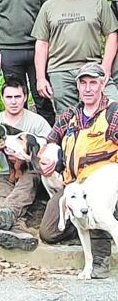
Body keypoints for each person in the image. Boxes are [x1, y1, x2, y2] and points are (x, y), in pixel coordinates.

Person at [38, 62, 118, 278]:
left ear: (102, 85)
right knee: (49, 231)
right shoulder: (69, 116)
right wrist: (48, 159)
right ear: (77, 86)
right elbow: (49, 142)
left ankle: (100, 255)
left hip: (105, 183)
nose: (88, 88)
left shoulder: (113, 113)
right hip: (73, 185)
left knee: (97, 207)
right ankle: (83, 220)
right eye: (83, 83)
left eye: (93, 83)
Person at [32, 0, 118, 114]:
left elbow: (112, 34)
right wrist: (40, 78)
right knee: (67, 120)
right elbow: (42, 43)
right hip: (60, 71)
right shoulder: (49, 6)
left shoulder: (97, 1)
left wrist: (105, 66)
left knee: (112, 107)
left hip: (92, 66)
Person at [0, 77, 52, 251]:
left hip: (30, 171)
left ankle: (6, 220)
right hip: (1, 172)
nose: (13, 101)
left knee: (25, 187)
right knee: (3, 194)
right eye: (9, 97)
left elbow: (49, 149)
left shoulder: (37, 123)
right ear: (2, 99)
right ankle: (19, 231)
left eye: (17, 97)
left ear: (25, 98)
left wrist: (24, 158)